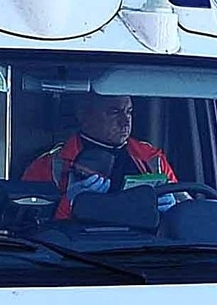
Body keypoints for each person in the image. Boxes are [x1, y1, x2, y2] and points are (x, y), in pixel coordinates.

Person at [22, 93, 179, 219]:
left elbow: (189, 214)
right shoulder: (51, 165)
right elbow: (28, 226)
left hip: (148, 251)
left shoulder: (151, 158)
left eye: (129, 111)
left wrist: (174, 209)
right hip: (74, 253)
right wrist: (69, 204)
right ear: (84, 115)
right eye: (114, 112)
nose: (125, 122)